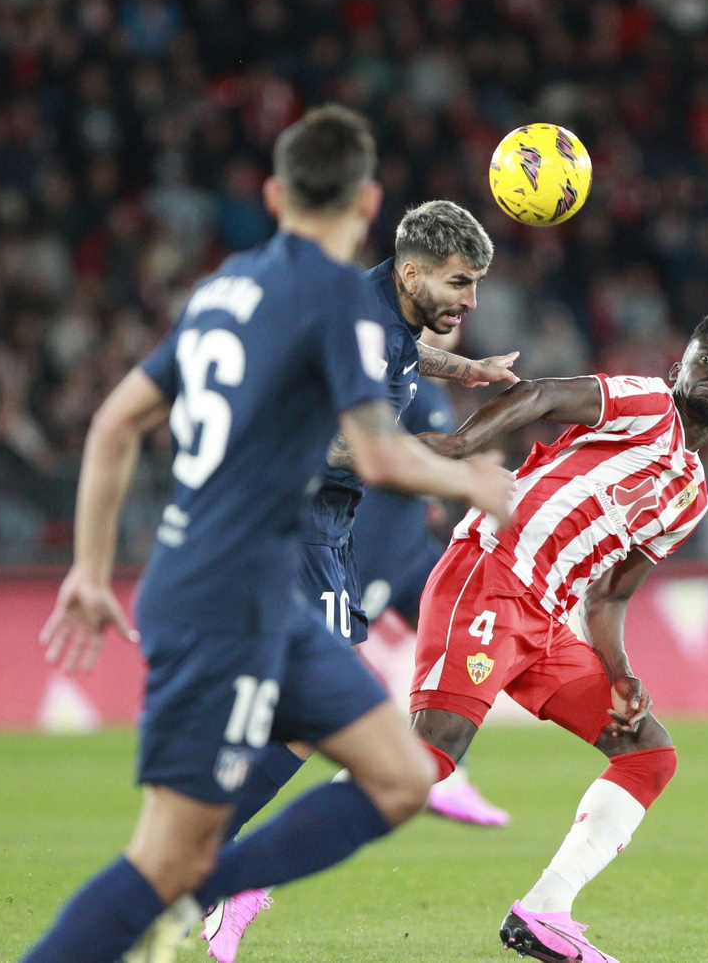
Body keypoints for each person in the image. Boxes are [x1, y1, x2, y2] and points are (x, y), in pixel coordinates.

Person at [17, 104, 513, 963]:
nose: (468, 302)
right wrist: (472, 479)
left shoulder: (226, 288)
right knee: (172, 849)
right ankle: (198, 892)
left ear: (278, 192)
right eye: (460, 284)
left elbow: (112, 423)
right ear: (369, 205)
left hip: (217, 572)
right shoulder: (333, 300)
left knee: (397, 775)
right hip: (241, 581)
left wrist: (89, 570)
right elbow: (376, 456)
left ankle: (203, 890)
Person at [201, 201, 516, 962]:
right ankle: (216, 864)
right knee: (323, 711)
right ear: (413, 272)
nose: (471, 301)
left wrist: (467, 369)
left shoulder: (386, 313)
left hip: (319, 530)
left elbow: (403, 359)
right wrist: (450, 473)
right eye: (460, 283)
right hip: (299, 524)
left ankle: (209, 852)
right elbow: (348, 451)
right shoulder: (366, 324)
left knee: (299, 710)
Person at [411, 311, 708, 963]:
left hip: (544, 620)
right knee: (426, 761)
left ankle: (545, 909)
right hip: (491, 572)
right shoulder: (649, 403)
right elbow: (540, 394)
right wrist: (462, 446)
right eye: (707, 358)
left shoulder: (690, 496)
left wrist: (622, 672)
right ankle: (243, 875)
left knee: (649, 754)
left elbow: (608, 596)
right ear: (678, 367)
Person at [359, 359, 512, 829]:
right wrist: (469, 475)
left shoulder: (412, 385)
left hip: (409, 551)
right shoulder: (415, 393)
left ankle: (448, 774)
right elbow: (387, 460)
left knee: (463, 631)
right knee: (319, 659)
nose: (457, 317)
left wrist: (431, 499)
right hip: (372, 547)